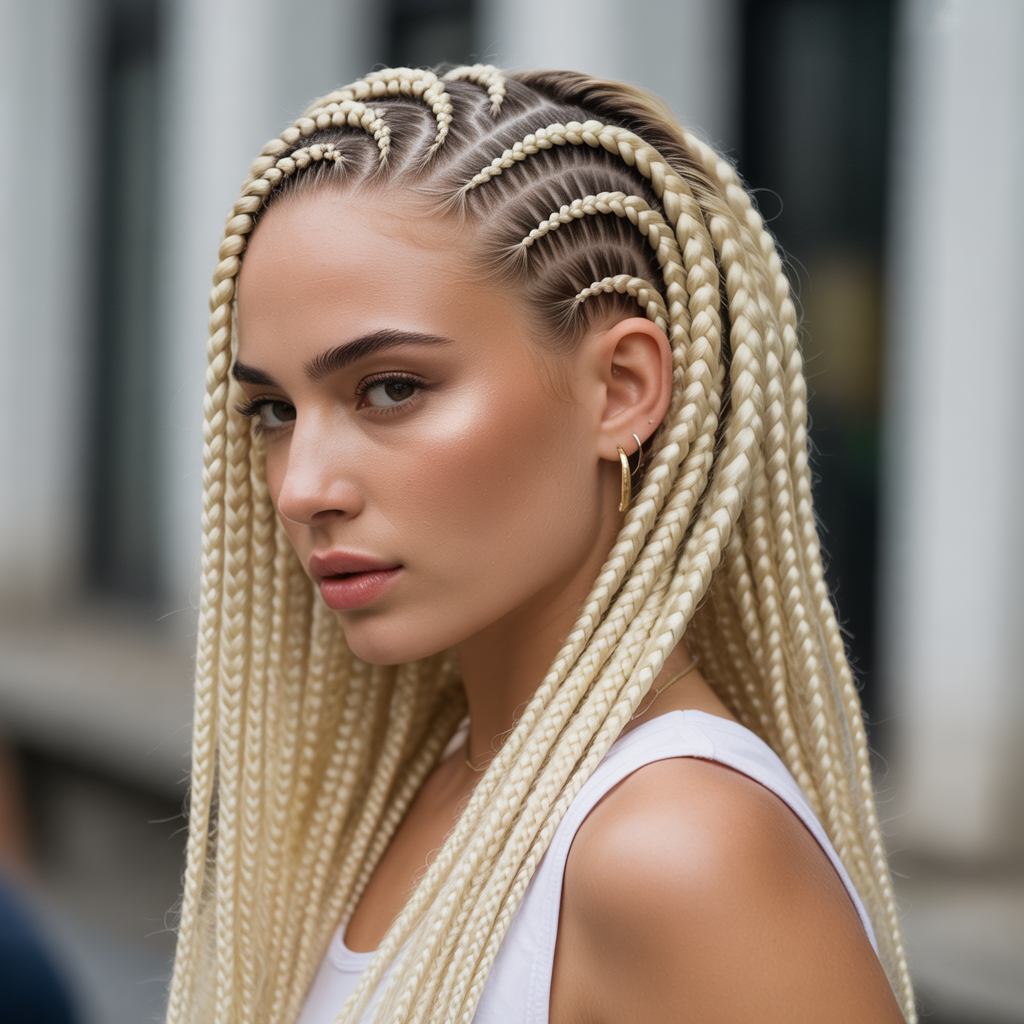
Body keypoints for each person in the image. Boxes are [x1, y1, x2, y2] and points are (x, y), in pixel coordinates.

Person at [165, 66, 915, 1024]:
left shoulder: (678, 852)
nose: (302, 487)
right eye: (272, 409)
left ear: (623, 388)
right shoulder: (433, 784)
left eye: (390, 388)